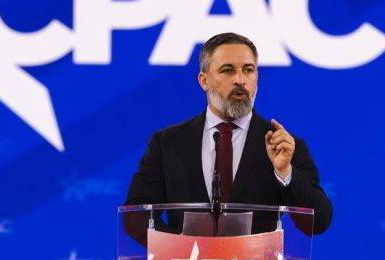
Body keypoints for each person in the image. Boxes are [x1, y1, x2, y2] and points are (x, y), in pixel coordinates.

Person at [124, 32, 332, 235]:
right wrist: (187, 251)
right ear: (204, 81)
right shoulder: (167, 143)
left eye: (248, 70)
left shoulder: (283, 145)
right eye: (228, 70)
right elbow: (136, 217)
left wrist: (285, 172)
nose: (240, 80)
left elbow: (318, 222)